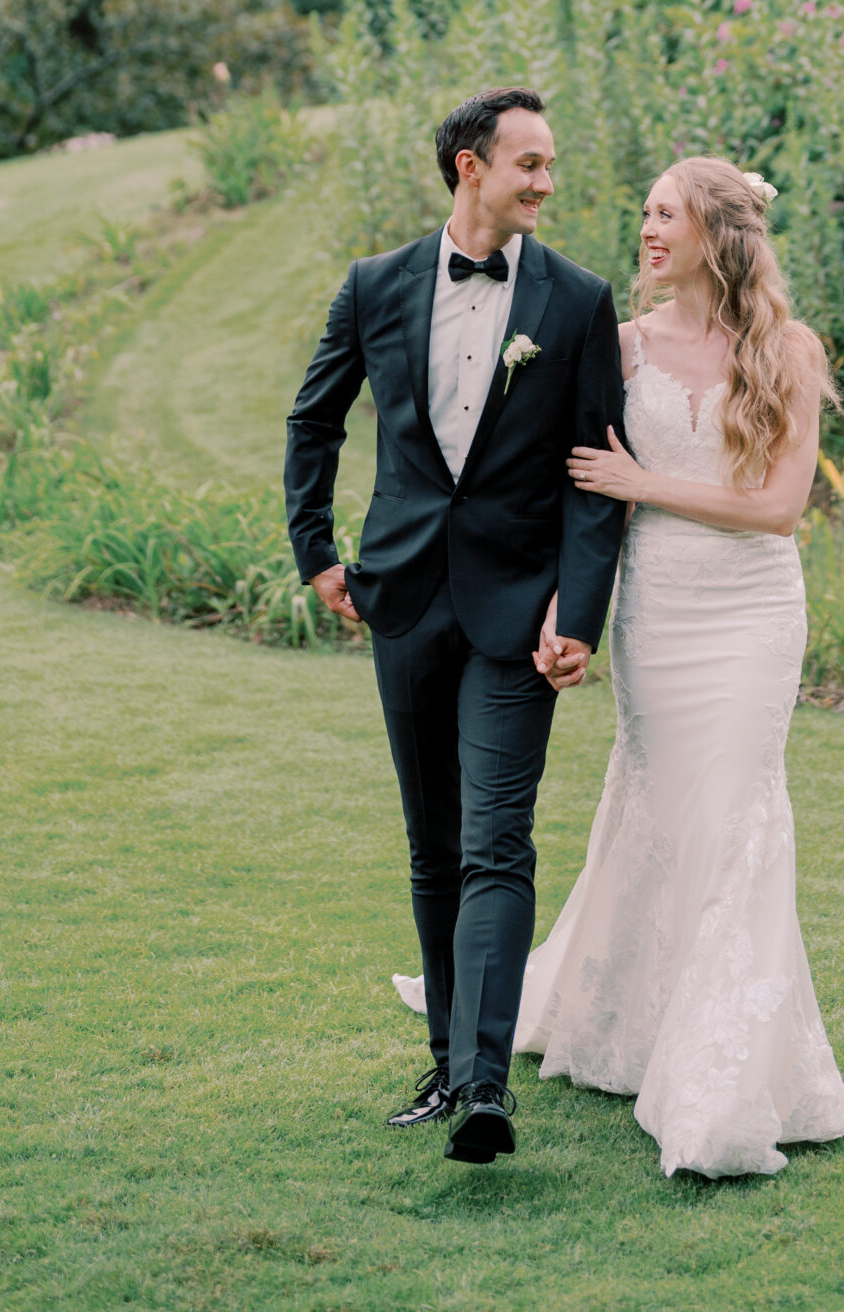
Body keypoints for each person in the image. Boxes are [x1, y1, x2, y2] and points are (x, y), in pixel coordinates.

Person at [396, 155, 844, 1179]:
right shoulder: (615, 346)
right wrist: (566, 615)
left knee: (736, 813)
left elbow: (779, 507)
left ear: (716, 233)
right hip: (654, 610)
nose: (647, 230)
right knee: (659, 806)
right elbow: (576, 502)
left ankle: (720, 1073)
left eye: (666, 214)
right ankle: (637, 1020)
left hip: (749, 612)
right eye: (645, 212)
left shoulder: (786, 349)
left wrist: (640, 478)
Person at [284, 86, 626, 1164]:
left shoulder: (576, 301)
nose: (546, 182)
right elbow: (314, 417)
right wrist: (318, 553)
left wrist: (580, 609)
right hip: (401, 594)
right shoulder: (375, 284)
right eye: (528, 162)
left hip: (519, 612)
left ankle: (485, 1085)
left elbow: (593, 477)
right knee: (433, 846)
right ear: (469, 167)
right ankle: (444, 1060)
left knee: (495, 840)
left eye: (550, 163)